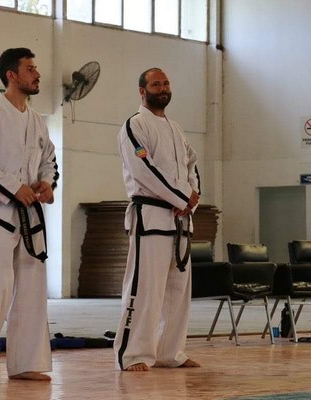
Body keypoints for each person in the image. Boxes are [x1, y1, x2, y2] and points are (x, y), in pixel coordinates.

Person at [0, 47, 59, 381]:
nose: (37, 74)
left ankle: (26, 363)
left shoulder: (37, 121)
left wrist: (46, 183)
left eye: (37, 67)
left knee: (32, 289)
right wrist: (11, 187)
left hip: (29, 213)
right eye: (30, 68)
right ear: (11, 75)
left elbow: (49, 160)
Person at [114, 67, 201, 372]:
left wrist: (193, 196)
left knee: (178, 292)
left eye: (165, 83)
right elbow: (144, 171)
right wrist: (181, 198)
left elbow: (191, 163)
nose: (162, 88)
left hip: (179, 220)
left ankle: (169, 352)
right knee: (145, 290)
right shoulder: (134, 126)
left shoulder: (175, 129)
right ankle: (133, 354)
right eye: (155, 84)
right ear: (142, 91)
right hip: (150, 215)